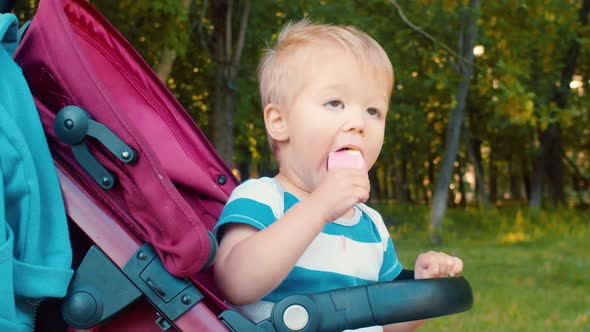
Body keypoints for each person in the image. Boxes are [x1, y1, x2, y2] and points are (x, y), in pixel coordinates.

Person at [213, 19, 463, 332]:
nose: (358, 122)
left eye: (373, 111)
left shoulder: (370, 226)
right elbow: (236, 282)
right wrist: (319, 207)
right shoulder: (263, 197)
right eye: (335, 103)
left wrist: (423, 290)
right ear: (280, 121)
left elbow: (385, 322)